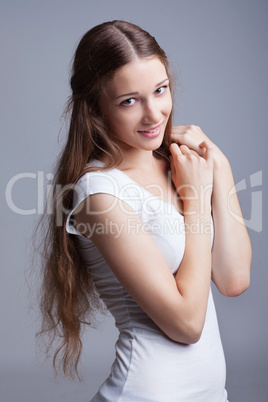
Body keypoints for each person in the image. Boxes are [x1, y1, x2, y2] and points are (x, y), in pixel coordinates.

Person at [38, 20, 252, 401]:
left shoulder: (181, 164)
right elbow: (186, 324)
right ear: (95, 108)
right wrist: (197, 200)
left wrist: (219, 164)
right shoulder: (99, 194)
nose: (154, 114)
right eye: (130, 100)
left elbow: (233, 278)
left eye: (160, 90)